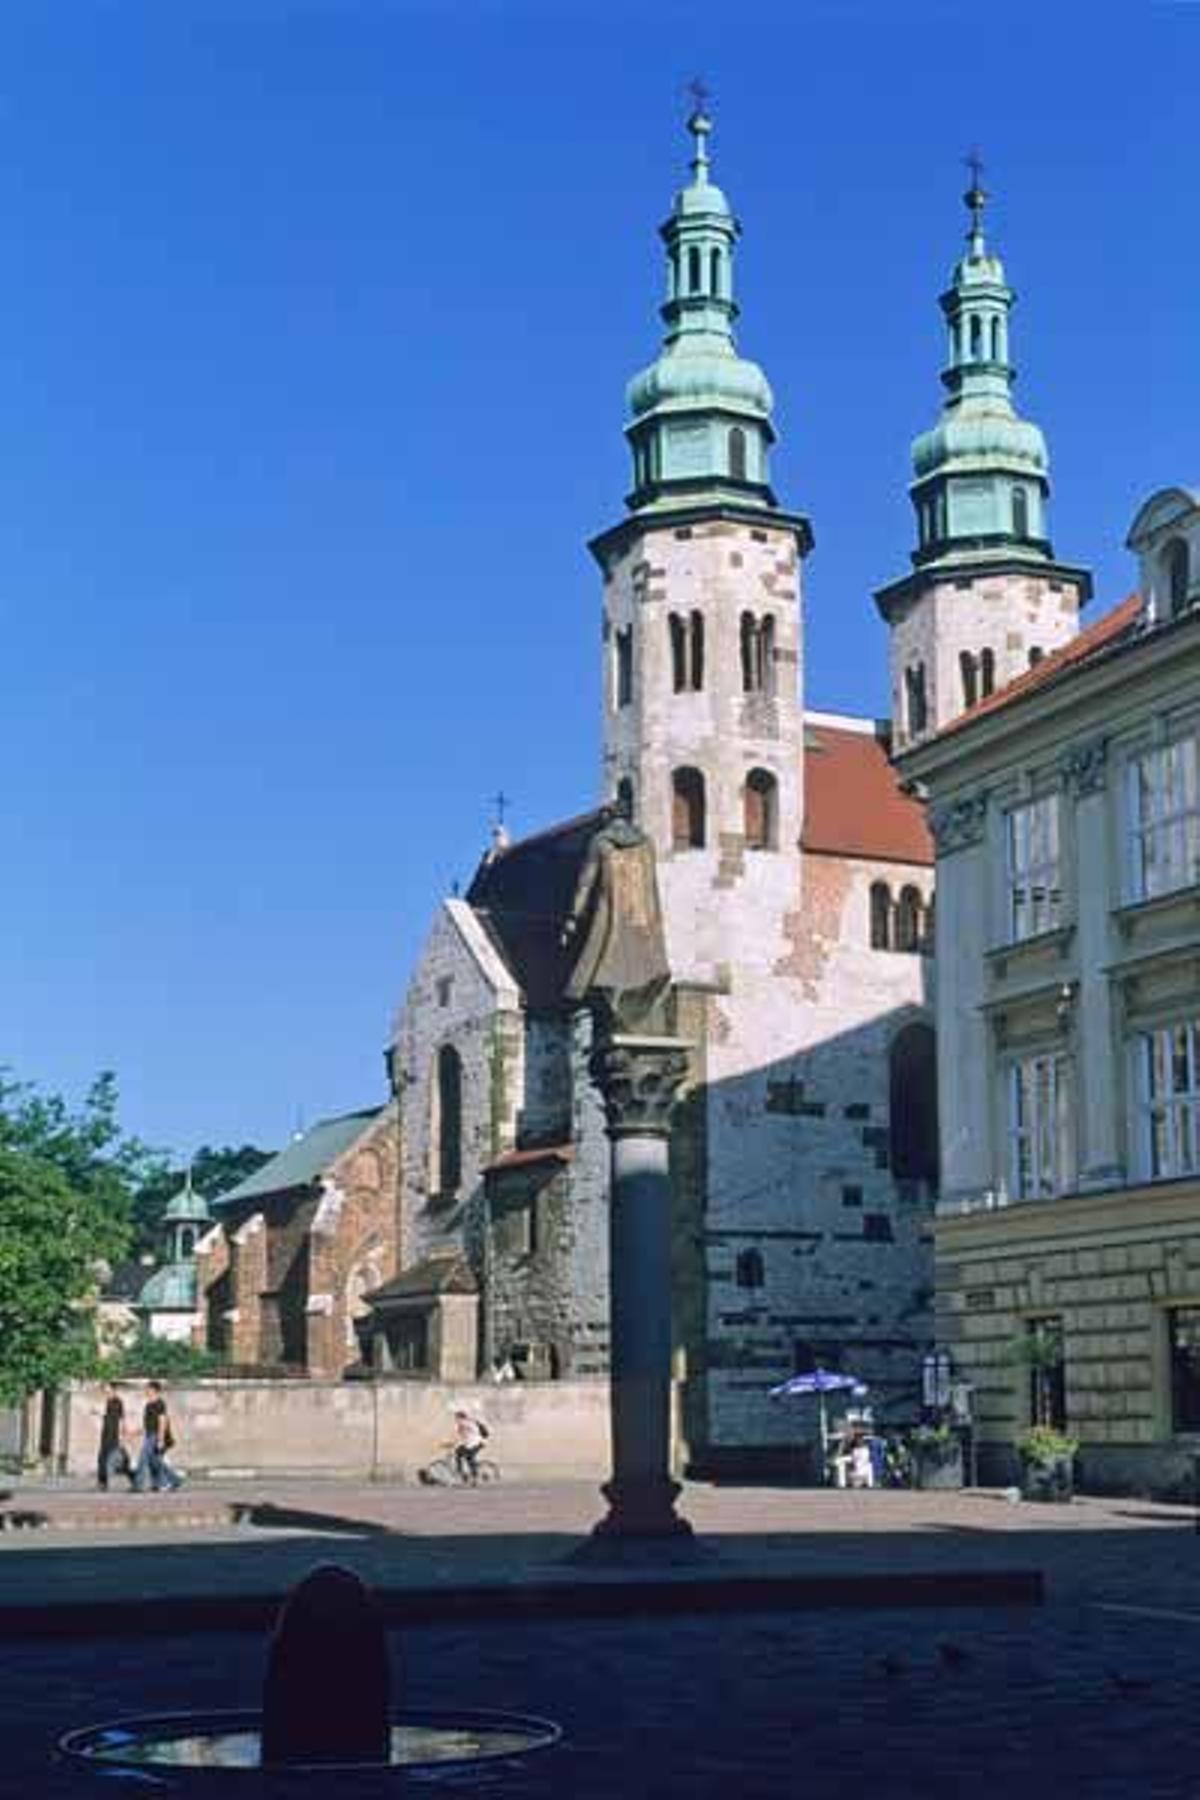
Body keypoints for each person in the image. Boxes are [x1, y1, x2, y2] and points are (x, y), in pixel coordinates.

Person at [135, 1380, 183, 1492]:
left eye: (148, 1389)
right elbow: (147, 1425)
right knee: (155, 1461)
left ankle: (139, 1485)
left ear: (154, 1390)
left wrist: (160, 1439)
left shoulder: (160, 1403)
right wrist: (133, 1433)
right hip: (149, 1435)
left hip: (156, 1436)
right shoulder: (148, 1405)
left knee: (143, 1458)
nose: (146, 1391)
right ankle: (173, 1480)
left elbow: (162, 1421)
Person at [97, 1382, 135, 1491]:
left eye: (107, 1389)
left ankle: (133, 1477)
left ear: (113, 1390)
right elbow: (108, 1417)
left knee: (115, 1459)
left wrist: (124, 1433)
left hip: (113, 1434)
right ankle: (103, 1483)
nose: (105, 1391)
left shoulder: (117, 1401)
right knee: (103, 1458)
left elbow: (121, 1418)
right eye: (104, 1390)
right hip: (106, 1432)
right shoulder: (108, 1401)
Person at [451, 1408, 488, 1485]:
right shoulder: (464, 1424)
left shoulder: (465, 1424)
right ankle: (463, 1474)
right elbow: (462, 1437)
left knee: (469, 1457)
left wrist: (454, 1443)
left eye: (457, 1418)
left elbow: (471, 1436)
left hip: (477, 1443)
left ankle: (475, 1478)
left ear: (461, 1418)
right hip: (470, 1443)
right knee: (458, 1454)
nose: (456, 1420)